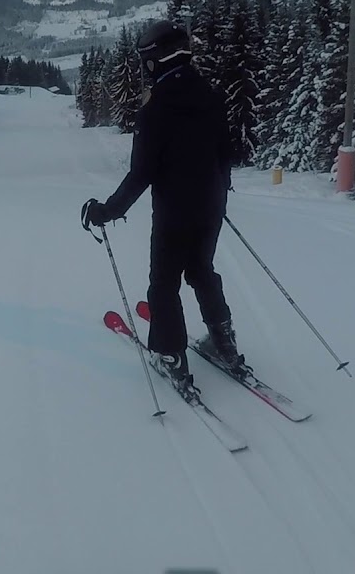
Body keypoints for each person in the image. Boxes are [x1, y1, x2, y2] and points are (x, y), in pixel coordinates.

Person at [81, 20, 246, 391]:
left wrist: (108, 210)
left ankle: (170, 355)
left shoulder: (155, 108)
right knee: (202, 271)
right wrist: (218, 194)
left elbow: (142, 173)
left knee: (164, 284)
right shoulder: (211, 94)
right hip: (210, 207)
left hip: (174, 213)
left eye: (146, 60)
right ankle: (224, 343)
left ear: (155, 60)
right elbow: (225, 153)